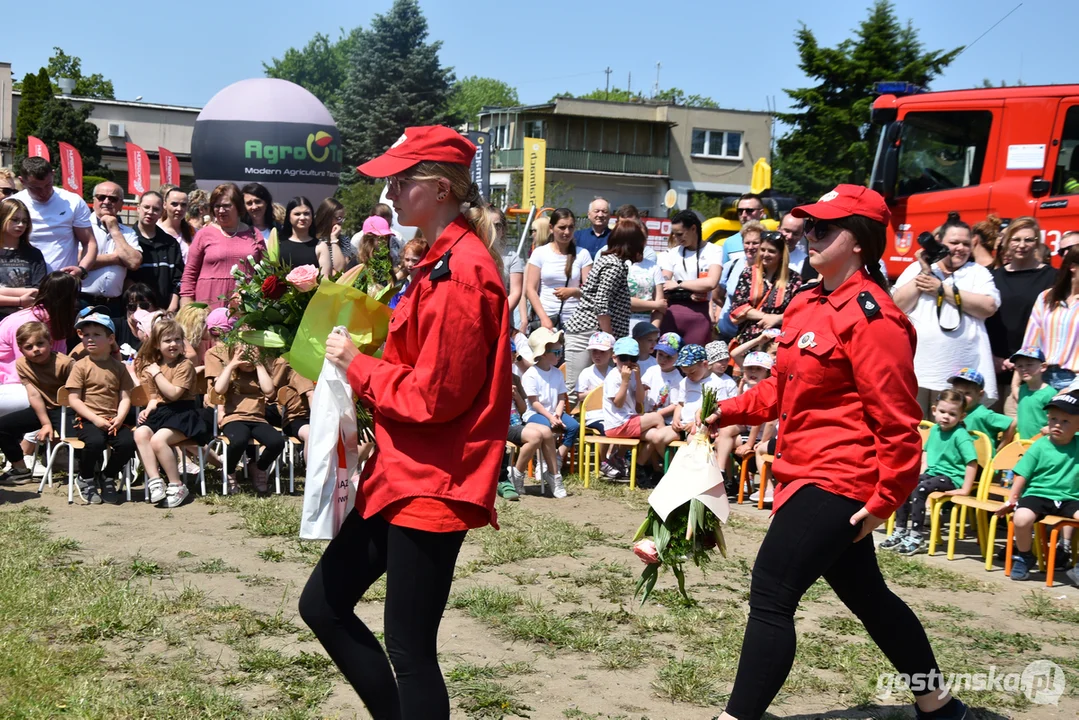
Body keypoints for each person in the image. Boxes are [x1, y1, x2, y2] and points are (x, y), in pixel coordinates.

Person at [705, 184, 970, 720]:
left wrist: (885, 501)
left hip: (841, 481)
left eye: (826, 228)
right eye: (810, 226)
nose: (810, 234)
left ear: (860, 241)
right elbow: (781, 390)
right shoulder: (806, 301)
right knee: (869, 596)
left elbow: (897, 422)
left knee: (773, 592)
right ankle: (940, 706)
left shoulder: (876, 319)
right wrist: (727, 411)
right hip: (802, 473)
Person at [299, 126, 510, 719]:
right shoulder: (442, 260)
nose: (388, 190)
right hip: (402, 472)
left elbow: (435, 396)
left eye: (400, 178)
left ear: (440, 188)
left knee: (412, 652)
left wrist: (356, 366)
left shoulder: (462, 274)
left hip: (434, 480)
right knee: (323, 605)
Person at [893, 212, 1001, 414]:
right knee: (914, 424)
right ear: (939, 242)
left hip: (959, 372)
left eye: (966, 244)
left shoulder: (978, 272)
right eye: (954, 242)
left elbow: (989, 307)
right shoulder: (918, 268)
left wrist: (942, 289)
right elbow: (896, 306)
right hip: (918, 367)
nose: (960, 248)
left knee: (950, 430)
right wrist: (925, 272)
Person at [881, 389, 978, 556]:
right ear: (934, 410)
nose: (946, 417)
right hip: (934, 474)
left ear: (962, 417)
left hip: (951, 478)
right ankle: (901, 530)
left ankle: (917, 537)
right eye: (942, 411)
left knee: (921, 489)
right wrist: (917, 475)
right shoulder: (935, 430)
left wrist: (965, 489)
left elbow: (972, 462)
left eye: (952, 414)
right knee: (906, 484)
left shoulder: (961, 435)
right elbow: (926, 455)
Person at [996, 390, 1079, 582]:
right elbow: (1021, 474)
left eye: (1065, 421)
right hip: (1039, 494)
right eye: (1053, 419)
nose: (1057, 424)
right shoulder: (1040, 445)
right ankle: (1025, 555)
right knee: (1021, 518)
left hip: (1070, 498)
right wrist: (1012, 500)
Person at [133, 318, 209, 508]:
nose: (173, 344)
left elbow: (174, 394)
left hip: (183, 413)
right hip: (161, 412)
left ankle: (177, 484)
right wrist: (149, 407)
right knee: (140, 433)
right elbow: (154, 396)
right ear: (157, 345)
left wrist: (157, 373)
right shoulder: (154, 365)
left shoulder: (185, 365)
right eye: (167, 340)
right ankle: (155, 481)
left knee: (158, 441)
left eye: (177, 339)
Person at [563, 218, 640, 402]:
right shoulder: (613, 265)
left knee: (600, 389)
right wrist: (609, 338)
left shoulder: (612, 262)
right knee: (575, 392)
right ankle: (569, 430)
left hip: (593, 334)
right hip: (587, 334)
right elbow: (601, 303)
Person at [985, 218, 1056, 414]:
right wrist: (992, 357)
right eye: (1016, 239)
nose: (1022, 245)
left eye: (1029, 240)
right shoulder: (990, 277)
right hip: (993, 368)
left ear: (1038, 242)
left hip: (1031, 374)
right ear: (1006, 242)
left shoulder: (1053, 277)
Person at [66, 312, 136, 505]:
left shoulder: (119, 367)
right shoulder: (80, 366)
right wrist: (96, 419)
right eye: (86, 334)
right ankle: (86, 477)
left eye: (96, 334)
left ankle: (108, 476)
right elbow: (74, 400)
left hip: (114, 419)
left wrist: (120, 417)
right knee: (95, 442)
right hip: (87, 420)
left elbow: (125, 397)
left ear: (110, 338)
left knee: (129, 443)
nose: (90, 338)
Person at [205, 341, 282, 495]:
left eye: (252, 355)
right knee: (239, 440)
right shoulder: (231, 372)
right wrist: (232, 365)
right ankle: (230, 470)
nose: (247, 361)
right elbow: (219, 389)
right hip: (234, 418)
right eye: (243, 355)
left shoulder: (260, 373)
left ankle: (258, 467)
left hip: (258, 418)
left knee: (277, 442)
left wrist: (259, 365)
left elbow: (269, 391)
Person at [0, 322, 73, 484]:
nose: (36, 349)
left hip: (67, 409)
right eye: (29, 346)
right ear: (21, 349)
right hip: (42, 408)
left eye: (40, 343)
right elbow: (33, 395)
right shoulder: (22, 364)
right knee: (3, 427)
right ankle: (20, 469)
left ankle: (90, 473)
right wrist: (45, 423)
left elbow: (77, 394)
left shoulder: (65, 363)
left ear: (50, 343)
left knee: (81, 438)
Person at [0, 271, 78, 417]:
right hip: (10, 387)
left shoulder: (57, 323)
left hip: (32, 388)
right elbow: (27, 371)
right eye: (74, 296)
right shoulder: (26, 323)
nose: (76, 302)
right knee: (40, 403)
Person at [179, 183, 265, 309]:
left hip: (244, 307)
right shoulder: (204, 234)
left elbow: (265, 273)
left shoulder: (254, 234)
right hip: (207, 305)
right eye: (217, 206)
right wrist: (186, 307)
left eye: (226, 206)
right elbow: (189, 274)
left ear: (238, 207)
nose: (220, 210)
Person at [13, 156, 96, 277]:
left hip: (61, 282)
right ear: (22, 181)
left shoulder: (73, 201)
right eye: (35, 188)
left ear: (53, 175)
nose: (43, 192)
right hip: (22, 283)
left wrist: (82, 269)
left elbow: (89, 242)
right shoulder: (12, 204)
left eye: (48, 185)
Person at [521, 327, 576, 493]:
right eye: (556, 352)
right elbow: (535, 403)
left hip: (554, 412)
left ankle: (555, 458)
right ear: (544, 353)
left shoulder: (557, 374)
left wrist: (558, 413)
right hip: (535, 414)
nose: (560, 355)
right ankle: (545, 464)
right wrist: (551, 417)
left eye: (561, 351)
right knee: (547, 429)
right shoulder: (531, 374)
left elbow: (561, 398)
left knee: (574, 427)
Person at [1020, 241, 1079, 391]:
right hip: (1039, 378)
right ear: (1072, 267)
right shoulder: (1046, 297)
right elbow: (1030, 343)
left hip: (1074, 381)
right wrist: (1017, 382)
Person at [524, 208, 591, 337]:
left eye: (571, 227)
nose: (567, 232)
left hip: (575, 321)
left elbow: (590, 291)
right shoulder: (540, 253)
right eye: (562, 227)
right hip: (547, 319)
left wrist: (574, 291)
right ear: (551, 228)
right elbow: (530, 289)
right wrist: (544, 318)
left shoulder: (583, 254)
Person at [659, 210, 722, 345]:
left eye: (680, 234)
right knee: (667, 361)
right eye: (674, 234)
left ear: (693, 228)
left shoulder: (714, 251)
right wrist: (688, 292)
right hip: (672, 315)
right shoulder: (672, 253)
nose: (676, 238)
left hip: (699, 316)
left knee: (694, 363)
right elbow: (664, 285)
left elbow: (711, 282)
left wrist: (679, 284)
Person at [729, 231, 802, 347]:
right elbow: (738, 307)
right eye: (762, 250)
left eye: (771, 251)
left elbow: (798, 311)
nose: (765, 254)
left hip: (776, 344)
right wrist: (766, 317)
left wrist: (777, 319)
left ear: (781, 254)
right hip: (748, 341)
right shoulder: (748, 274)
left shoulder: (794, 279)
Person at [79, 181, 142, 316]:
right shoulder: (81, 227)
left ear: (121, 205)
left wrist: (114, 230)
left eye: (113, 199)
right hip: (83, 301)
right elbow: (79, 262)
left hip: (114, 305)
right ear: (94, 201)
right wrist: (116, 258)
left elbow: (134, 262)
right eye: (101, 197)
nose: (106, 202)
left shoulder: (128, 233)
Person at [130, 191, 184, 312]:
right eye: (146, 207)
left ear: (161, 213)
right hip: (136, 312)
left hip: (165, 312)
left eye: (155, 209)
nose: (150, 212)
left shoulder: (171, 244)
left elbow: (178, 279)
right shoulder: (128, 240)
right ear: (138, 208)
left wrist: (171, 308)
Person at [0, 197, 47, 320]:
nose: (21, 225)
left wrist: (2, 292)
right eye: (14, 220)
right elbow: (29, 294)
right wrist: (20, 300)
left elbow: (37, 292)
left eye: (24, 221)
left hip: (26, 321)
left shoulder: (34, 254)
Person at [716, 221, 764, 339]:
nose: (750, 247)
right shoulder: (731, 266)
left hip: (753, 335)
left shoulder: (768, 269)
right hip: (727, 333)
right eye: (747, 243)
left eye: (755, 243)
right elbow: (717, 296)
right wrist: (733, 310)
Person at [491, 206, 526, 329]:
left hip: (503, 320)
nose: (493, 230)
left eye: (497, 226)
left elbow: (516, 292)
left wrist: (499, 313)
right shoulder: (471, 253)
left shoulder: (512, 257)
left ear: (503, 229)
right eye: (488, 225)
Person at [1011, 347, 1056, 440]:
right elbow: (1014, 386)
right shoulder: (1022, 390)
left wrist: (1050, 429)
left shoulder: (1050, 393)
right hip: (1022, 442)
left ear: (1043, 367)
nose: (1024, 369)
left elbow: (1057, 418)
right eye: (1019, 366)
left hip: (1042, 442)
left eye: (1029, 364)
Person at [575, 331, 614, 433]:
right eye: (594, 351)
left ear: (611, 353)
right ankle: (606, 449)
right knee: (607, 428)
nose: (597, 355)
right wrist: (598, 390)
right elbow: (580, 396)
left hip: (613, 413)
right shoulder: (586, 373)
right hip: (594, 415)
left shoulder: (614, 373)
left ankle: (617, 449)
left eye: (602, 352)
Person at [273, 358, 315, 444]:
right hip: (298, 418)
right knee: (311, 434)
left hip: (325, 417)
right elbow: (311, 394)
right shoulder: (302, 369)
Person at [719, 192, 767, 266]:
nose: (743, 215)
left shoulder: (772, 240)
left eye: (749, 211)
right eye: (740, 211)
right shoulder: (729, 243)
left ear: (761, 213)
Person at [278, 197, 321, 269]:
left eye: (306, 213)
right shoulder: (278, 243)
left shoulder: (320, 246)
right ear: (289, 216)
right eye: (297, 214)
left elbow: (325, 278)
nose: (302, 218)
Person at [157, 187, 195, 261]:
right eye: (174, 204)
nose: (179, 209)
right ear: (165, 205)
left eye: (183, 205)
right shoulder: (156, 231)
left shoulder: (194, 233)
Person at [314, 197, 350, 273]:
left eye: (343, 218)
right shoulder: (312, 239)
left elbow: (341, 270)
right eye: (339, 218)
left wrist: (334, 239)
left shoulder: (344, 240)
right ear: (327, 217)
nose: (341, 222)